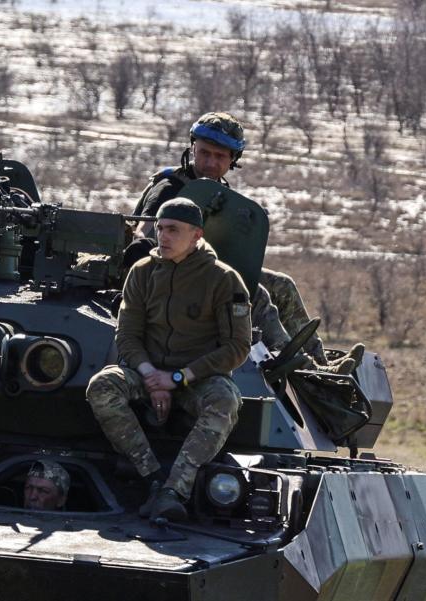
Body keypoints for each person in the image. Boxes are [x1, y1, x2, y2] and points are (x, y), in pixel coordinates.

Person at [132, 112, 362, 371]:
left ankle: (321, 362)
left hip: (206, 268)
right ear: (192, 148)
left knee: (282, 285)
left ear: (233, 160)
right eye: (204, 153)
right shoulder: (171, 187)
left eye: (219, 156)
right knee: (254, 292)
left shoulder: (219, 193)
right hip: (172, 274)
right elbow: (143, 234)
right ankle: (300, 365)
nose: (209, 162)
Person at [86, 199, 252, 522]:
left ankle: (176, 489)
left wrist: (177, 378)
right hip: (147, 373)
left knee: (225, 399)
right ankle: (153, 479)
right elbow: (127, 335)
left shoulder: (224, 280)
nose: (163, 236)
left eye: (173, 230)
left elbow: (237, 347)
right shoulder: (142, 273)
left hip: (197, 379)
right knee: (102, 385)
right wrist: (151, 376)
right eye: (160, 228)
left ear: (196, 235)